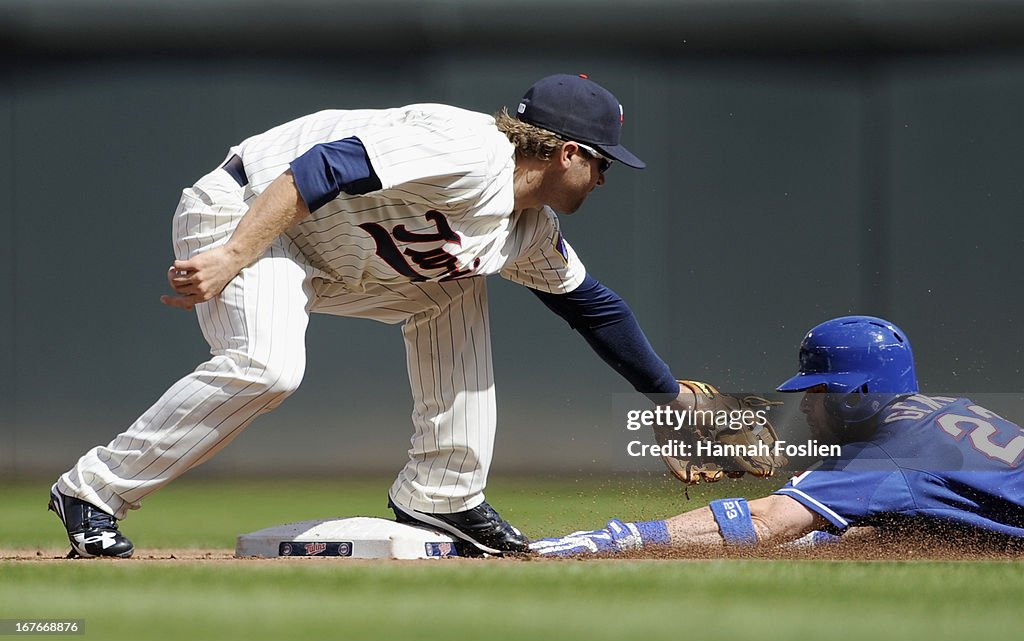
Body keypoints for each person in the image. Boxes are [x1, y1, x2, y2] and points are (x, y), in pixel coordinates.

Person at [48, 73, 697, 558]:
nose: (605, 180)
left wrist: (668, 400)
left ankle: (442, 496)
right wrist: (234, 254)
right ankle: (93, 492)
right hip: (247, 210)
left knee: (452, 287)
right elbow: (320, 167)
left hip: (333, 252)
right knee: (270, 368)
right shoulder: (472, 152)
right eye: (603, 162)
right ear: (567, 153)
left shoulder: (527, 229)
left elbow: (592, 307)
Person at [531, 315, 1024, 556]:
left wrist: (618, 539)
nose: (805, 404)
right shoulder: (946, 411)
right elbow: (942, 517)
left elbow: (764, 521)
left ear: (860, 393)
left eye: (819, 390)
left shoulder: (881, 455)